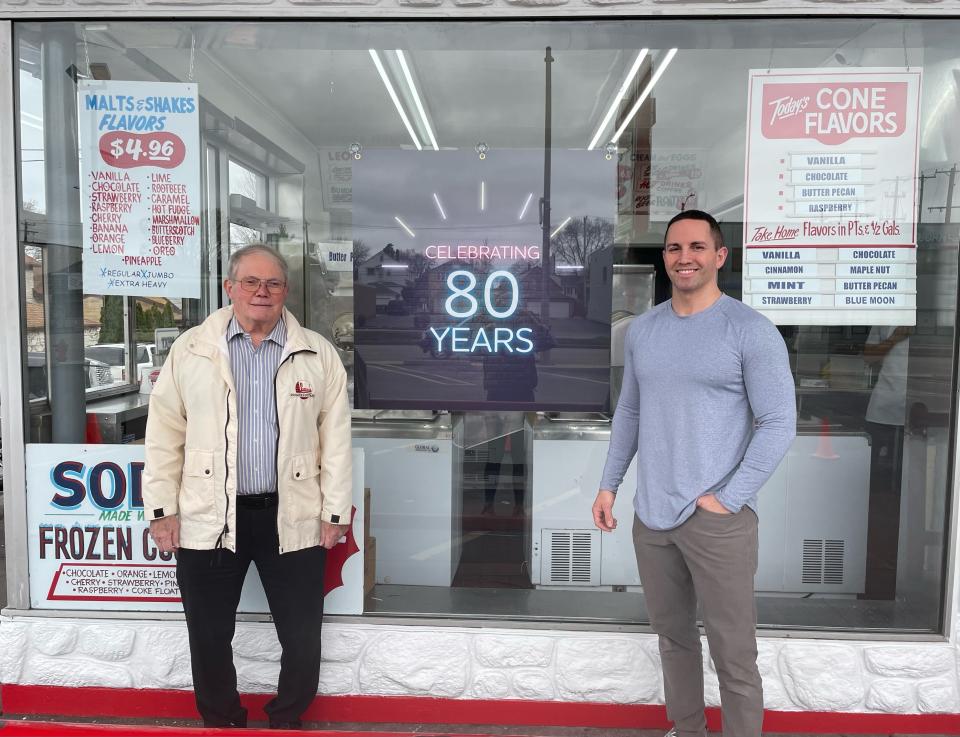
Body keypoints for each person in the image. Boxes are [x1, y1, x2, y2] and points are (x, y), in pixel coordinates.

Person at [592, 210, 796, 737]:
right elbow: (630, 412)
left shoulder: (750, 331)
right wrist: (609, 484)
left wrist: (729, 498)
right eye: (675, 248)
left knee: (734, 650)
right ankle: (687, 728)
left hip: (717, 521)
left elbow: (778, 423)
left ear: (720, 256)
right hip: (652, 516)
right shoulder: (644, 330)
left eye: (698, 247)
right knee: (673, 638)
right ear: (665, 257)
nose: (685, 257)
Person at [144, 244, 352, 729]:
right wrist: (161, 509)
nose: (262, 292)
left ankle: (285, 718)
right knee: (209, 633)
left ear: (286, 291)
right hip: (208, 516)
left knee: (302, 634)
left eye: (273, 283)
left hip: (292, 515)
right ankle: (222, 720)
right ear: (229, 288)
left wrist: (335, 513)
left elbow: (336, 442)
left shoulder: (317, 354)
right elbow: (163, 434)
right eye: (251, 283)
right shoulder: (192, 349)